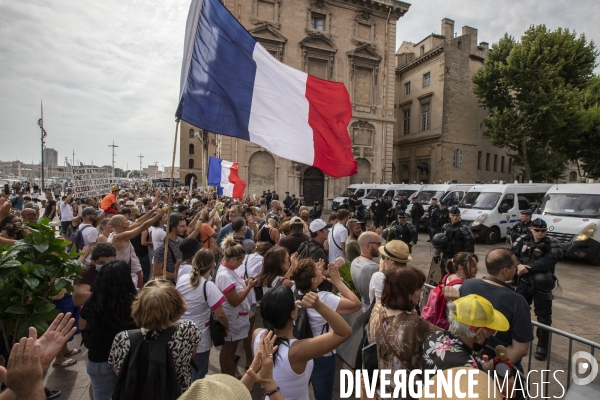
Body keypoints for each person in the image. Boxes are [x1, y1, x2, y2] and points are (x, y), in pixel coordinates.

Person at [254, 287, 352, 400]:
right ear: (293, 313)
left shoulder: (257, 335)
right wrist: (318, 305)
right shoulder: (297, 351)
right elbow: (344, 333)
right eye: (295, 301)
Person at [108, 279, 201, 392]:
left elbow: (119, 371)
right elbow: (192, 353)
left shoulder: (122, 339)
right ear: (176, 305)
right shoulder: (188, 330)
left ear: (140, 306)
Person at [291, 259, 361, 400]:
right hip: (322, 354)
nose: (320, 269)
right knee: (323, 396)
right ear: (313, 279)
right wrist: (337, 281)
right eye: (317, 270)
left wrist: (313, 272)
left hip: (302, 350)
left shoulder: (294, 290)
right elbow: (356, 304)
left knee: (300, 391)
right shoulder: (324, 298)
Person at [459, 249, 533, 379]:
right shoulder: (517, 301)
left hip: (468, 359)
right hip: (500, 371)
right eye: (514, 267)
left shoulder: (467, 285)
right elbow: (520, 349)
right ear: (505, 270)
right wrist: (492, 366)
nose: (515, 270)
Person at [368, 267, 441, 394]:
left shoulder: (377, 308)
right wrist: (453, 302)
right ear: (407, 292)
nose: (422, 291)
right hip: (406, 391)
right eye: (418, 289)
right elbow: (451, 339)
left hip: (382, 387)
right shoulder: (413, 323)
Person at [79, 261, 138, 400]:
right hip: (128, 359)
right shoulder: (135, 303)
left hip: (98, 359)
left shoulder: (91, 303)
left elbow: (81, 325)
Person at [176, 249, 230, 381]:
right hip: (200, 339)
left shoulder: (183, 278)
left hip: (180, 334)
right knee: (198, 376)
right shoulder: (208, 286)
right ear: (211, 266)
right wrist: (226, 328)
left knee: (182, 374)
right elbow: (221, 315)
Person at [512, 218, 561, 361]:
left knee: (544, 317)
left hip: (541, 285)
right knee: (519, 312)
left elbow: (550, 259)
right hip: (523, 282)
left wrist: (527, 268)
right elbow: (513, 254)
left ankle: (543, 346)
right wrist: (519, 265)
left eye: (543, 230)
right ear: (531, 229)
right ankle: (518, 338)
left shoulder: (551, 243)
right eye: (537, 230)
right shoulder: (523, 239)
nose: (540, 233)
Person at [421, 295, 509, 372]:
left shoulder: (434, 337)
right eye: (491, 332)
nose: (490, 335)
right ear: (478, 333)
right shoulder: (469, 368)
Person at [215, 235, 257, 377]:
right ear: (233, 259)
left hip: (236, 317)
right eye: (240, 261)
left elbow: (236, 288)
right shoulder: (225, 275)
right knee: (229, 352)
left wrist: (245, 282)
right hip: (233, 318)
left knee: (227, 351)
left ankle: (226, 374)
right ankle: (230, 378)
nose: (241, 264)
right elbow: (234, 300)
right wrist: (249, 287)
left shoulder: (229, 270)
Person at [111, 208, 164, 288]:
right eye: (125, 220)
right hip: (128, 270)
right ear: (119, 224)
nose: (128, 221)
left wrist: (153, 210)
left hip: (130, 269)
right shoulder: (119, 236)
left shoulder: (120, 232)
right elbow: (143, 227)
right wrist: (158, 216)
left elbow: (139, 222)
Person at [439, 205, 475, 275]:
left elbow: (470, 245)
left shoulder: (464, 228)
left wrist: (467, 258)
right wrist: (437, 253)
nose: (455, 217)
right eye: (453, 215)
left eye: (457, 215)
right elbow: (440, 241)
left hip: (458, 258)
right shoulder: (445, 227)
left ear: (459, 216)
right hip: (446, 257)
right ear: (449, 215)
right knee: (444, 274)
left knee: (457, 276)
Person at [297, 219, 331, 292]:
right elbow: (319, 274)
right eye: (325, 229)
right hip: (319, 291)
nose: (328, 231)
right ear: (319, 232)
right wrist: (335, 267)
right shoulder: (318, 251)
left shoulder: (304, 244)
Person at [350, 231, 381, 311]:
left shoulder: (354, 261)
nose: (380, 247)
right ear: (368, 246)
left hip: (365, 308)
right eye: (378, 244)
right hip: (374, 312)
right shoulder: (373, 268)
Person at [153, 212, 187, 282]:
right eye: (182, 226)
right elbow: (157, 272)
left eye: (185, 225)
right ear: (173, 228)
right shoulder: (162, 247)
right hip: (170, 286)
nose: (185, 228)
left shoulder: (181, 241)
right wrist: (176, 275)